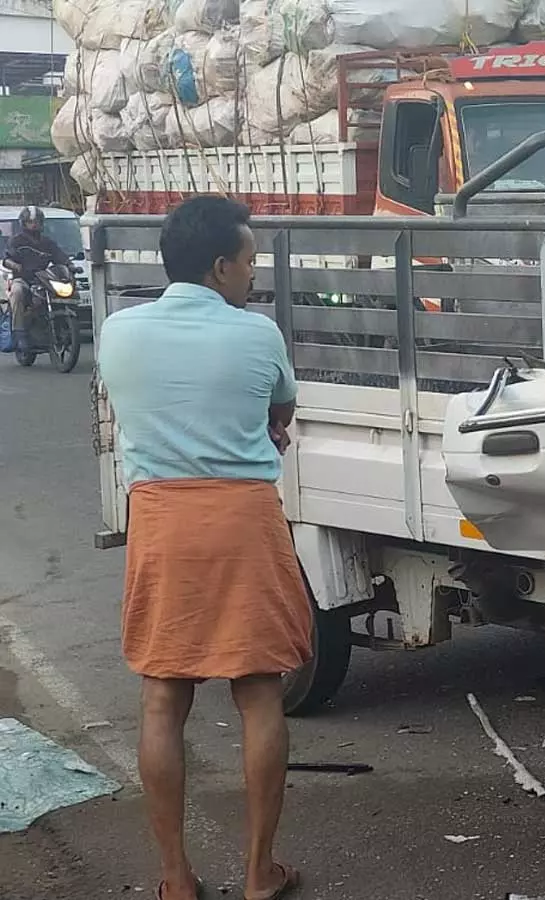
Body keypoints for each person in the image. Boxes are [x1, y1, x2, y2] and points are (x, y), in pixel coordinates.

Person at [97, 196, 308, 900]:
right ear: (221, 267)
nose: (252, 275)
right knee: (258, 691)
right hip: (243, 517)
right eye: (248, 262)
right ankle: (259, 873)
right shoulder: (257, 334)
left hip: (162, 519)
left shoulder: (118, 331)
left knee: (163, 695)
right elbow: (279, 411)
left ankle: (176, 878)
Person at [3, 206, 72, 339]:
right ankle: (19, 332)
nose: (34, 225)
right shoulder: (16, 240)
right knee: (17, 293)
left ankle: (60, 323)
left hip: (43, 278)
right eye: (30, 222)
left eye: (37, 222)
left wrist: (70, 265)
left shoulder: (47, 242)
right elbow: (6, 259)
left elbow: (60, 256)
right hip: (23, 279)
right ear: (24, 223)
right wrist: (15, 265)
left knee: (61, 291)